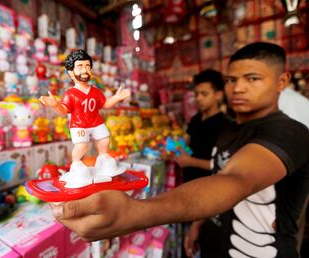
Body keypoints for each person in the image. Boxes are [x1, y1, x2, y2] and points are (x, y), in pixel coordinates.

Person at [49, 42, 309, 258]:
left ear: (282, 81)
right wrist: (198, 225)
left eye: (252, 78)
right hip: (212, 246)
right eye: (232, 79)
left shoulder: (290, 133)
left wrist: (135, 213)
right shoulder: (228, 129)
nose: (238, 88)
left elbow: (235, 180)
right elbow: (216, 177)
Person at [39, 49, 130, 188]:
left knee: (104, 139)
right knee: (82, 145)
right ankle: (76, 163)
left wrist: (116, 98)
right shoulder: (70, 94)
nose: (85, 70)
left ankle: (103, 158)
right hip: (79, 125)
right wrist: (55, 105)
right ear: (71, 73)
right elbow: (64, 111)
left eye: (88, 66)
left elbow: (104, 104)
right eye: (80, 66)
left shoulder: (95, 91)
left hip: (96, 122)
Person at [173, 69, 230, 182]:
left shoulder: (225, 124)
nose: (198, 98)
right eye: (196, 94)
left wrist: (190, 161)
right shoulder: (196, 119)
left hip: (208, 185)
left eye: (204, 94)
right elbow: (186, 140)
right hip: (189, 180)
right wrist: (173, 149)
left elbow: (225, 164)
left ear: (218, 95)